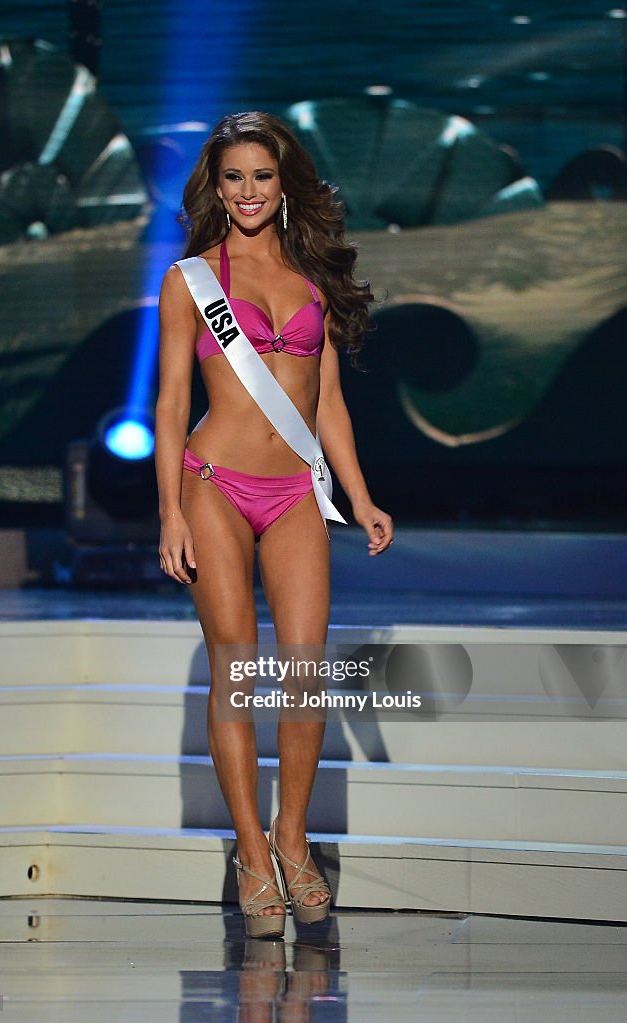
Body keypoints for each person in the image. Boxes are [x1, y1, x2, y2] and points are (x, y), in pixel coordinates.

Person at [155, 111, 393, 938]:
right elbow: (172, 403)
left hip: (294, 489)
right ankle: (250, 849)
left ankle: (293, 837)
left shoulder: (311, 280)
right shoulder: (190, 280)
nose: (248, 192)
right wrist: (167, 514)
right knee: (235, 668)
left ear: (283, 182)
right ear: (215, 188)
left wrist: (358, 496)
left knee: (301, 670)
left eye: (262, 176)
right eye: (233, 178)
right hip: (213, 485)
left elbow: (327, 404)